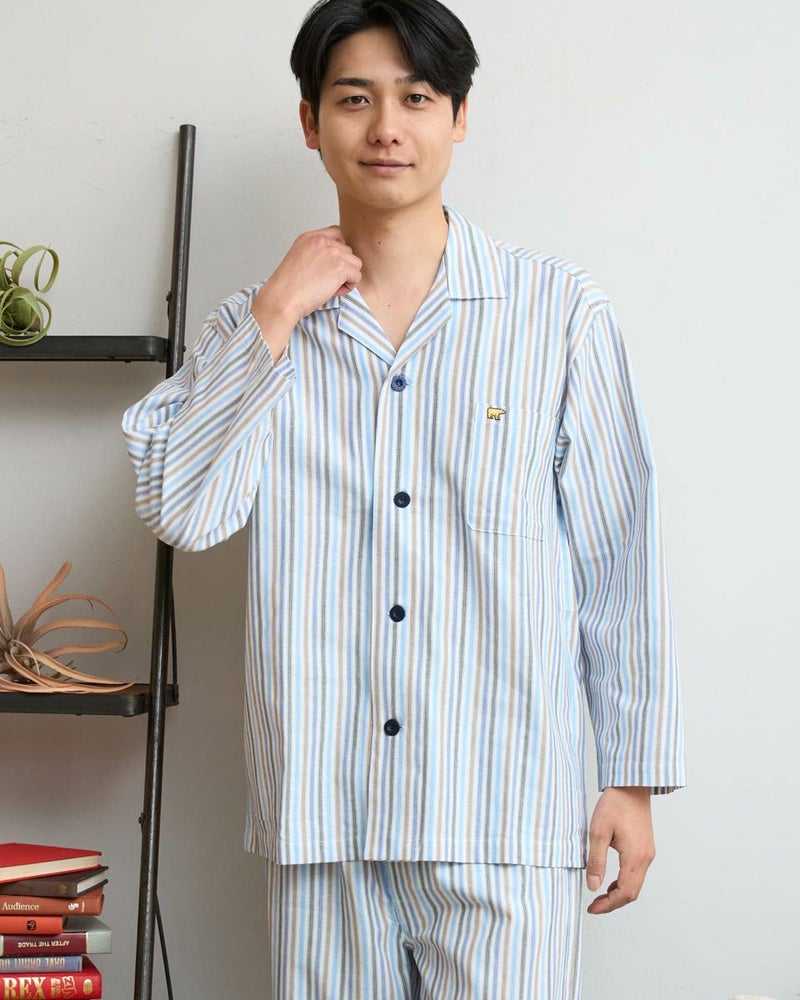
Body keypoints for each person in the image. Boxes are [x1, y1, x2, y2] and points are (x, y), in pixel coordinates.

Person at [122, 0, 685, 995]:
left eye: (416, 98)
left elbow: (617, 562)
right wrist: (274, 315)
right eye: (354, 99)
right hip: (323, 820)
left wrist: (630, 779)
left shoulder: (557, 315)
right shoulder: (256, 328)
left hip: (505, 812)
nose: (386, 127)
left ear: (458, 118)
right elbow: (181, 508)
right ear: (311, 121)